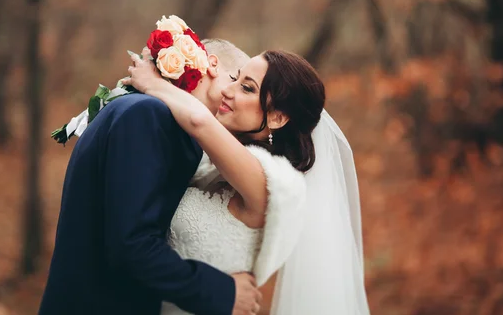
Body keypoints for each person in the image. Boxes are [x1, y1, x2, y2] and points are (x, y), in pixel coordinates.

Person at [124, 48, 371, 315]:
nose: (228, 91)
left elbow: (198, 120)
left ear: (277, 117)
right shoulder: (214, 166)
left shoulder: (274, 183)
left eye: (247, 88)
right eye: (235, 78)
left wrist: (153, 83)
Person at [38, 39, 263, 315]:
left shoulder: (147, 114)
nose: (234, 93)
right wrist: (223, 292)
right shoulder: (148, 116)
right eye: (236, 80)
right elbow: (131, 246)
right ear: (213, 65)